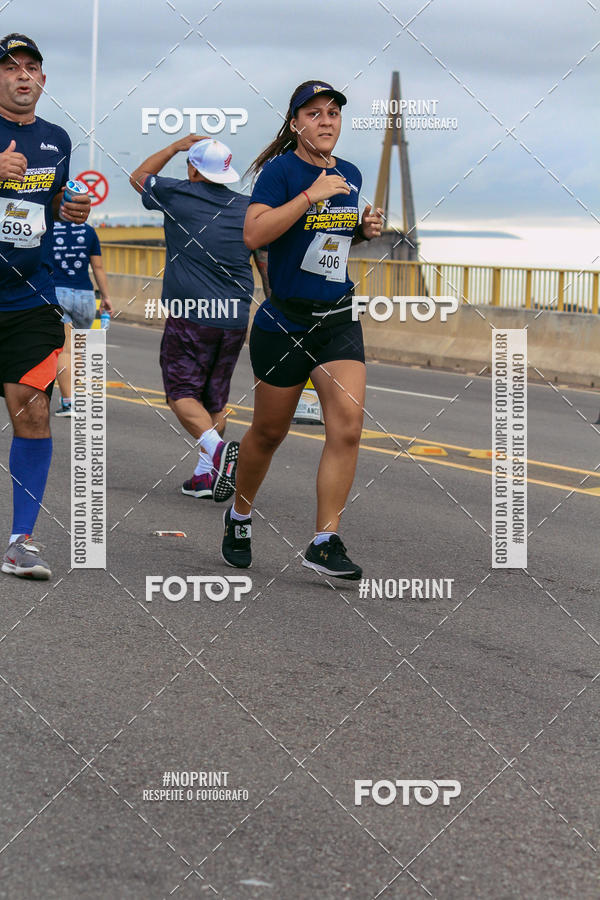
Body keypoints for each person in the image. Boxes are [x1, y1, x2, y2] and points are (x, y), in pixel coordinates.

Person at [221, 80, 383, 579]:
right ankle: (239, 514)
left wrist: (361, 228)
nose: (327, 121)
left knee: (348, 429)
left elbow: (327, 241)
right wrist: (311, 196)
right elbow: (255, 233)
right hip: (284, 321)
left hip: (336, 318)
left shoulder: (350, 173)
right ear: (295, 124)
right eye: (314, 113)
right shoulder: (280, 172)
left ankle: (324, 540)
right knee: (269, 433)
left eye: (333, 113)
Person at [130, 136, 269, 501]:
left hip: (192, 316)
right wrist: (271, 306)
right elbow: (264, 262)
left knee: (181, 393)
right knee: (214, 399)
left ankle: (218, 451)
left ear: (193, 169)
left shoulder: (178, 195)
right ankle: (205, 477)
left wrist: (174, 147)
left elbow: (139, 176)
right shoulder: (249, 209)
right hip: (235, 317)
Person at [0, 34, 90, 580]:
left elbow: (48, 207)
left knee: (33, 415)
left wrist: (68, 207)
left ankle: (20, 540)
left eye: (32, 68)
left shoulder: (56, 141)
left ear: (44, 80)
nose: (23, 76)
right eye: (11, 68)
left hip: (31, 299)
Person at [52, 219, 113, 416]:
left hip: (57, 292)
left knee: (65, 351)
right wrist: (106, 297)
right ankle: (76, 399)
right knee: (78, 350)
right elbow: (98, 268)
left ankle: (68, 403)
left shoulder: (49, 227)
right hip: (85, 295)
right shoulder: (89, 231)